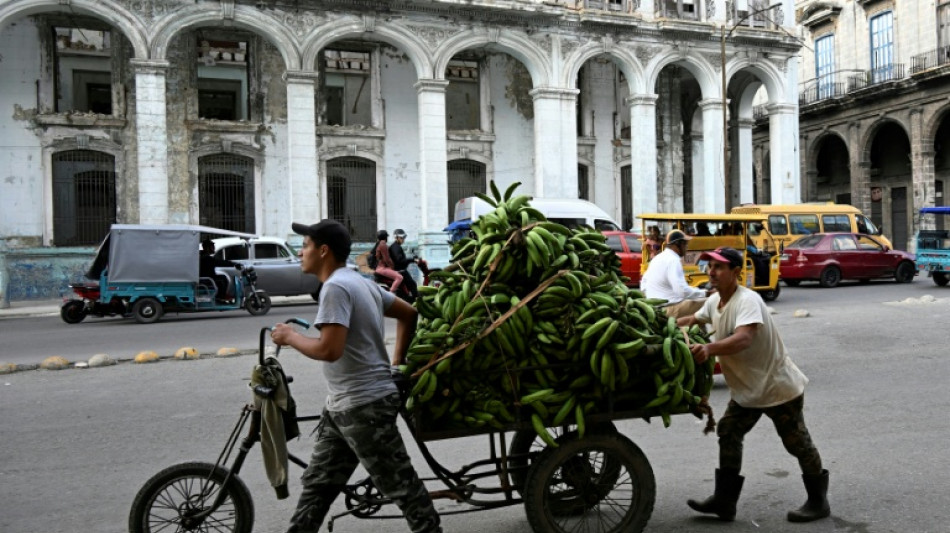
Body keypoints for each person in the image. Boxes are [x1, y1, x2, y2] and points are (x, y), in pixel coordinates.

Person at [270, 219, 442, 533]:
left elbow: (329, 350)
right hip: (342, 407)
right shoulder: (360, 281)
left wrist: (289, 337)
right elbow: (409, 313)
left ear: (323, 251)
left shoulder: (336, 287)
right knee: (318, 485)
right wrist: (396, 363)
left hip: (364, 407)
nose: (300, 252)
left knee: (403, 488)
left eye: (305, 246)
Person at [677, 247, 829, 524]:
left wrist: (709, 348)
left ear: (736, 273)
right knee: (729, 431)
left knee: (797, 443)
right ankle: (724, 502)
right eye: (710, 266)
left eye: (719, 267)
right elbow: (694, 319)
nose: (712, 272)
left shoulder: (748, 300)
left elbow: (744, 338)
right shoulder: (715, 302)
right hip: (748, 390)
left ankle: (819, 502)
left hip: (776, 387)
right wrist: (672, 325)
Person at [640, 229, 711, 319]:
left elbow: (643, 284)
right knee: (710, 302)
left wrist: (653, 296)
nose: (687, 247)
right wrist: (706, 293)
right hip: (668, 309)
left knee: (696, 300)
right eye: (685, 244)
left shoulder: (658, 258)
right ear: (678, 245)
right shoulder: (673, 260)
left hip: (655, 308)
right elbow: (682, 291)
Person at [388, 228, 418, 298]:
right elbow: (399, 261)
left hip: (399, 269)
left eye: (404, 238)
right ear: (396, 238)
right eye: (401, 238)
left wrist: (411, 260)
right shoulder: (396, 247)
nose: (403, 239)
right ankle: (415, 300)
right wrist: (412, 260)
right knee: (413, 284)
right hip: (399, 270)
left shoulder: (396, 246)